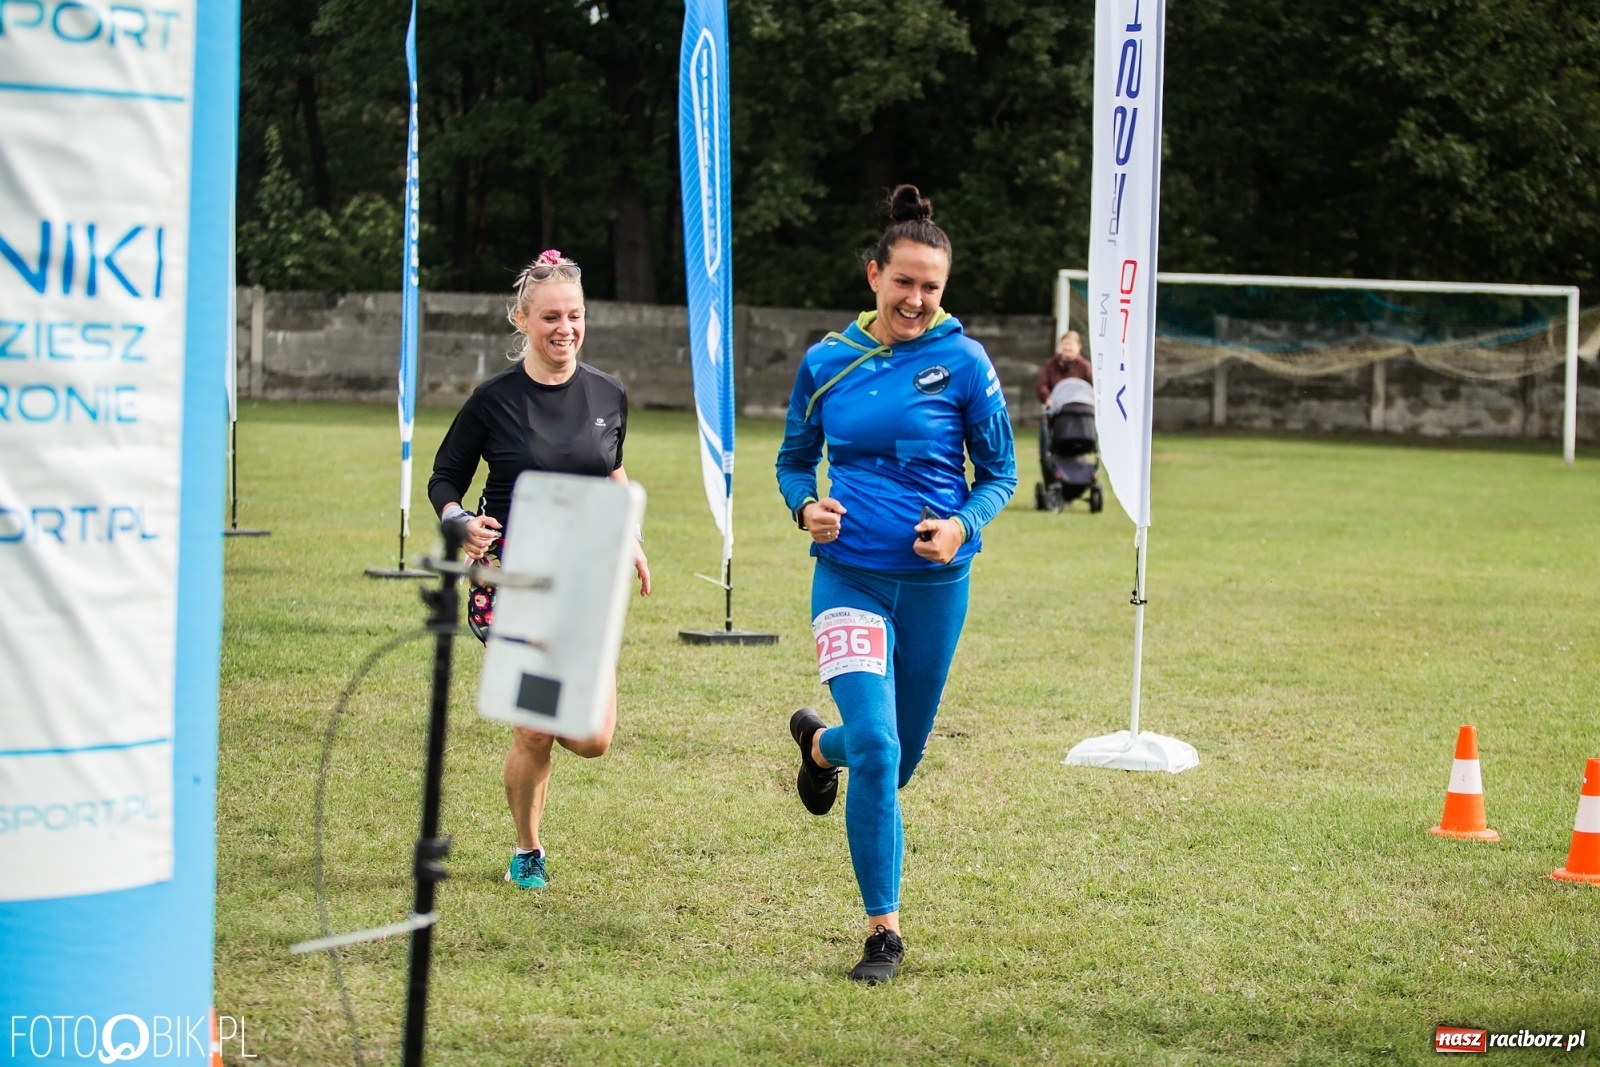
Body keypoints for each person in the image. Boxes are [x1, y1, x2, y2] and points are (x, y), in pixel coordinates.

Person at [775, 185, 1017, 984]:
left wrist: (960, 525)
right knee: (879, 748)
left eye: (931, 287)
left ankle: (818, 744)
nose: (916, 299)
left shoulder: (964, 361)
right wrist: (806, 505)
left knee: (895, 761)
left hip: (937, 585)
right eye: (903, 281)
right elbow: (791, 461)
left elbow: (1003, 473)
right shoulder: (825, 362)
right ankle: (884, 929)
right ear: (874, 274)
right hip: (848, 578)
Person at [428, 249, 650, 892]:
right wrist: (459, 521)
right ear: (522, 320)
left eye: (575, 316)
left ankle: (559, 683)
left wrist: (630, 535)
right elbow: (446, 477)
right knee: (533, 729)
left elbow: (611, 472)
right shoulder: (492, 400)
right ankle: (528, 849)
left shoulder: (608, 394)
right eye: (550, 317)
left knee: (591, 739)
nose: (565, 329)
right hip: (511, 580)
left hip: (584, 584)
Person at [1034, 329, 1093, 403]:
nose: (1067, 347)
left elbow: (1092, 387)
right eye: (1065, 344)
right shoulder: (1051, 364)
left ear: (1079, 347)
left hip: (1079, 407)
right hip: (1056, 407)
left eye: (1070, 344)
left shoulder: (1085, 367)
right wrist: (1048, 398)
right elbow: (1042, 384)